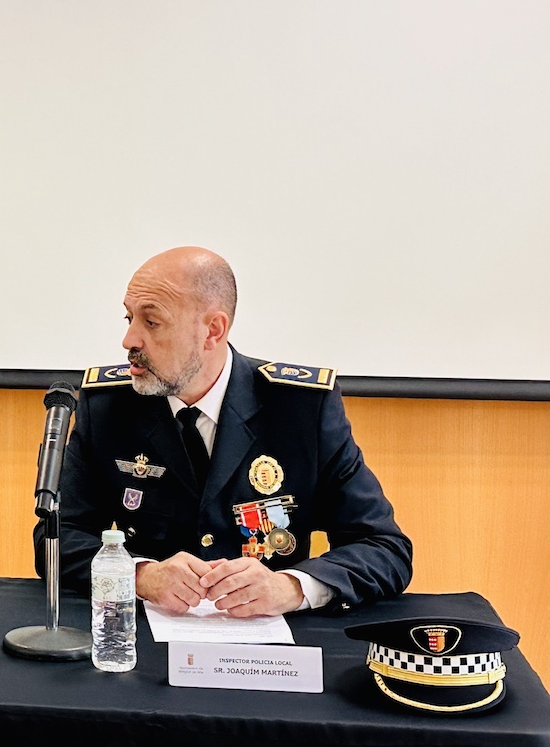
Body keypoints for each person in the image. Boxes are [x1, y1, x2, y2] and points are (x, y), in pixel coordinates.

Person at [36, 246, 411, 617]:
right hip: (149, 641)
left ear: (213, 330)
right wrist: (140, 575)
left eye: (151, 322)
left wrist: (292, 587)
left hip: (269, 651)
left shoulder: (301, 409)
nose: (129, 340)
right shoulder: (108, 407)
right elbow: (57, 538)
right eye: (128, 318)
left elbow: (383, 547)